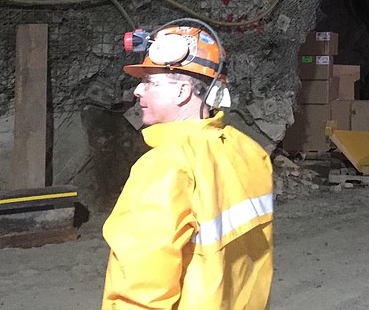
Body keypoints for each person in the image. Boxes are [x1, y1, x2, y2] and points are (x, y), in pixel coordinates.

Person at [101, 23, 273, 310]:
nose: (137, 91)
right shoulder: (249, 151)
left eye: (150, 82)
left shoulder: (166, 167)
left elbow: (142, 288)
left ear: (182, 91)